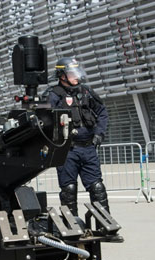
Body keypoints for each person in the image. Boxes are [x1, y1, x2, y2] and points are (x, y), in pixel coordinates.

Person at [46, 57, 110, 215]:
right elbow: (45, 121)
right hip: (67, 151)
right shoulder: (53, 95)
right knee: (69, 189)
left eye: (77, 72)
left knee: (97, 187)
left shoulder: (86, 91)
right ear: (62, 76)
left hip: (88, 148)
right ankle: (71, 226)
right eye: (72, 73)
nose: (77, 76)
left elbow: (102, 113)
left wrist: (99, 134)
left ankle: (105, 224)